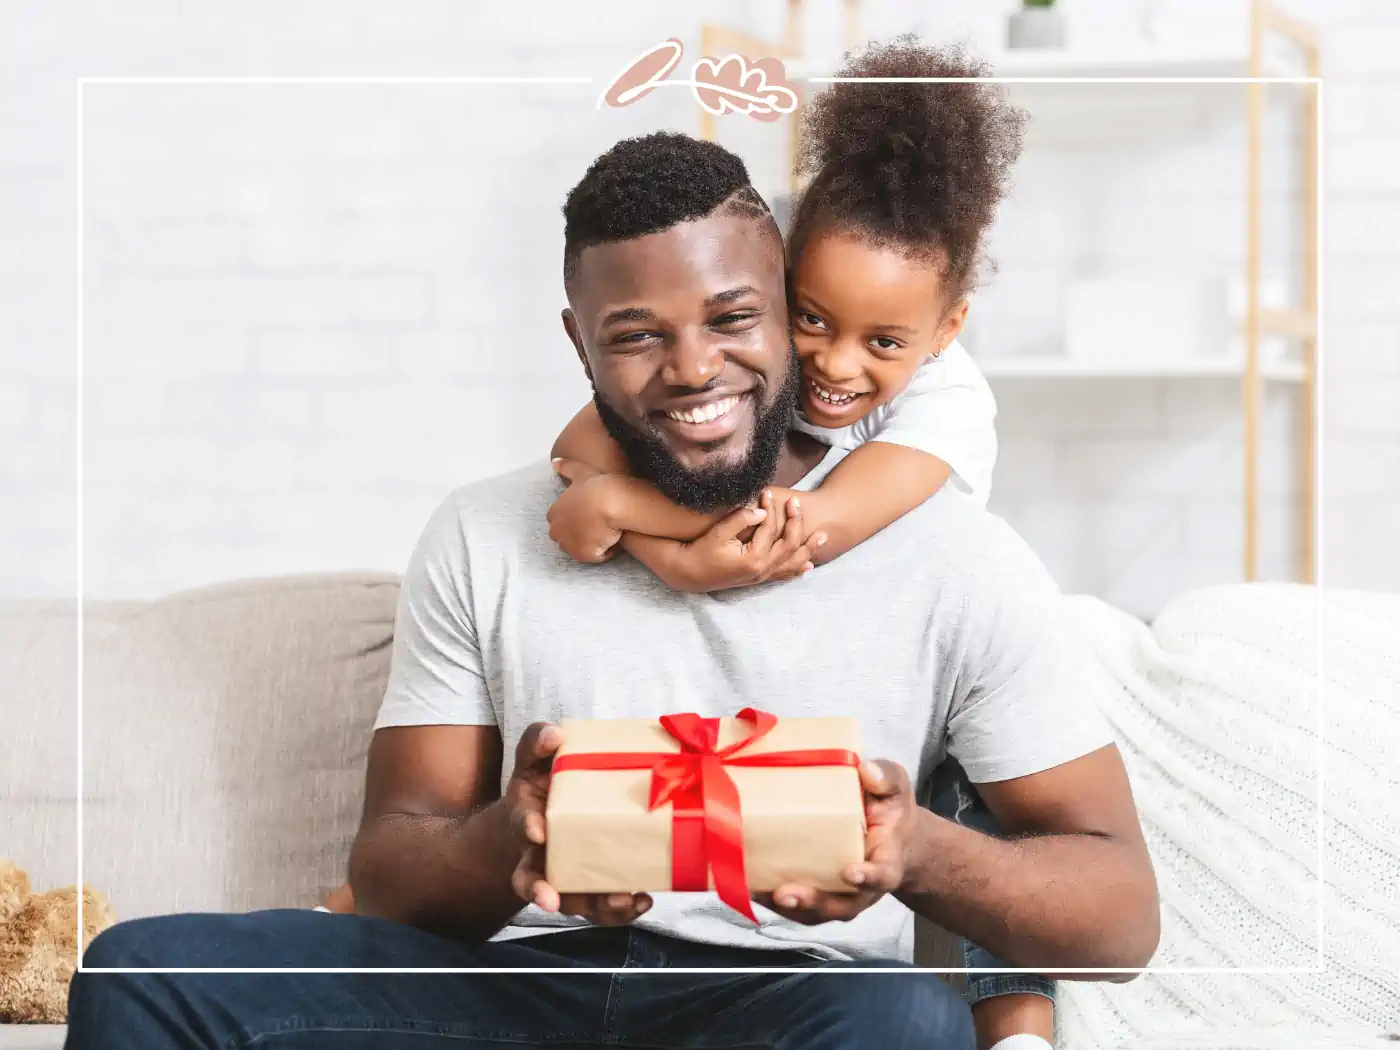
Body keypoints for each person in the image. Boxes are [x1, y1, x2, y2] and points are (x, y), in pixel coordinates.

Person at [67, 126, 1159, 1050]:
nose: (691, 370)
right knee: (137, 974)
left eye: (732, 319)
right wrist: (511, 841)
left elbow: (1117, 916)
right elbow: (395, 866)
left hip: (784, 998)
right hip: (505, 992)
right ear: (578, 343)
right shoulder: (484, 534)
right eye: (635, 337)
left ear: (785, 304)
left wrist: (909, 848)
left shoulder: (949, 553)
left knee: (900, 1027)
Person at [541, 41, 1056, 1050]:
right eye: (809, 318)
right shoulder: (749, 364)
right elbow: (571, 448)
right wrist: (630, 521)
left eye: (882, 342)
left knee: (987, 800)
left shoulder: (947, 411)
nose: (831, 363)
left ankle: (1019, 1023)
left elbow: (806, 528)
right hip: (829, 644)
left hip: (937, 651)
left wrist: (644, 528)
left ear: (945, 329)